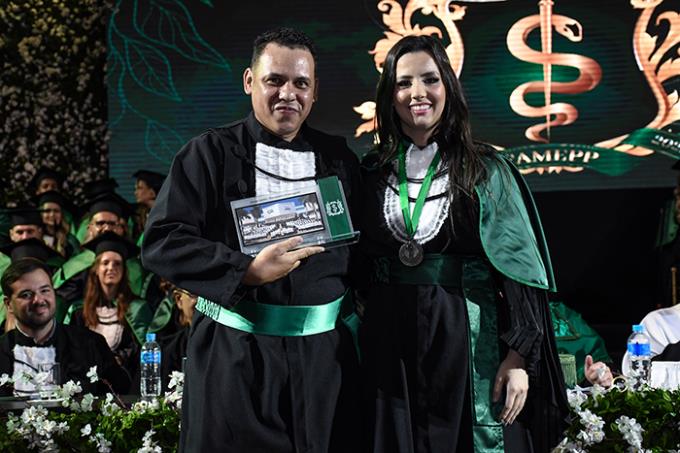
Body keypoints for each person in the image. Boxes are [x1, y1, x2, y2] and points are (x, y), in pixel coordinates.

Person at [142, 27, 361, 452]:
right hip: (235, 359)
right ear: (249, 81)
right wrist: (246, 270)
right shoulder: (208, 153)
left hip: (325, 365)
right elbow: (162, 241)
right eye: (274, 80)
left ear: (315, 91)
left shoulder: (339, 160)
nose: (288, 94)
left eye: (301, 84)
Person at [356, 35, 568, 453]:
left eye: (430, 79)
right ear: (389, 95)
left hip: (466, 338)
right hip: (388, 340)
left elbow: (518, 270)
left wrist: (518, 357)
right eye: (403, 83)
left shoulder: (486, 169)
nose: (417, 93)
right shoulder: (370, 171)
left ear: (448, 87)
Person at [0, 258, 130, 396]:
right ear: (9, 304)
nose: (38, 300)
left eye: (44, 290)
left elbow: (122, 399)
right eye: (26, 295)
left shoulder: (92, 344)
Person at [65, 232, 152, 379]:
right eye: (105, 263)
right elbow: (70, 350)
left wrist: (120, 358)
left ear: (124, 271)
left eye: (117, 263)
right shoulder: (78, 311)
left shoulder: (137, 308)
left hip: (125, 381)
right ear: (96, 269)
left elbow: (141, 350)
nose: (111, 268)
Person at [34, 191, 79, 258]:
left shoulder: (70, 240)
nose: (52, 215)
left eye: (56, 211)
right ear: (41, 215)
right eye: (47, 211)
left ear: (62, 215)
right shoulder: (35, 238)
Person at [132, 170, 166, 241]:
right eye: (135, 189)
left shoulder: (165, 215)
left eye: (139, 188)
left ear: (152, 192)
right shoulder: (139, 216)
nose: (135, 193)